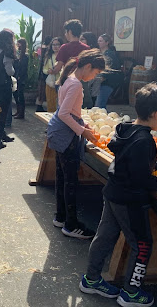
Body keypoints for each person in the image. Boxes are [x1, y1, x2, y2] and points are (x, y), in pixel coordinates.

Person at [80, 83, 157, 307]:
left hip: (113, 192)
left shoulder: (125, 129)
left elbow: (131, 159)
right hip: (131, 201)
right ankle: (131, 293)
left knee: (104, 237)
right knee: (142, 244)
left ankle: (91, 279)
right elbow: (141, 179)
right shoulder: (145, 141)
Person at [47, 50, 105, 238]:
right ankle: (71, 225)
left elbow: (68, 111)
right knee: (70, 180)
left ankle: (60, 216)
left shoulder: (69, 79)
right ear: (88, 67)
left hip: (58, 132)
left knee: (62, 177)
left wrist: (82, 123)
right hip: (66, 136)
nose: (94, 77)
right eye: (95, 73)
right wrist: (83, 131)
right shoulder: (76, 85)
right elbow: (64, 113)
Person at [95, 34, 122, 109]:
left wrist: (101, 79)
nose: (98, 43)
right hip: (103, 82)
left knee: (99, 105)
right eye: (98, 41)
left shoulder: (109, 54)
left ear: (107, 43)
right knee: (100, 105)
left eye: (101, 41)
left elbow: (110, 69)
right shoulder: (104, 53)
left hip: (107, 82)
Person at [43, 37, 63, 112]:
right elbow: (44, 69)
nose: (55, 46)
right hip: (51, 82)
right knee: (50, 101)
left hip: (61, 81)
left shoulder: (64, 56)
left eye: (57, 44)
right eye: (53, 45)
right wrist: (48, 71)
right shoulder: (49, 56)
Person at [80, 32, 98, 109]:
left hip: (92, 77)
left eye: (82, 39)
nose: (80, 41)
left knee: (88, 99)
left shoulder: (94, 51)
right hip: (84, 77)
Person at [13, 38, 29, 119]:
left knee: (20, 95)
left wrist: (20, 76)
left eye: (19, 44)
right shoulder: (19, 54)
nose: (18, 46)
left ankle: (21, 113)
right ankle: (18, 111)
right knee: (16, 95)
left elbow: (23, 68)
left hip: (21, 77)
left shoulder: (25, 56)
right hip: (16, 76)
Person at [36, 36, 53, 112]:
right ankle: (39, 106)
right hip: (46, 74)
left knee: (41, 91)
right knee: (43, 91)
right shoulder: (48, 52)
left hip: (41, 73)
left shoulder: (41, 49)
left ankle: (39, 106)